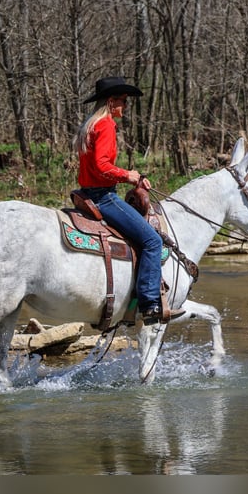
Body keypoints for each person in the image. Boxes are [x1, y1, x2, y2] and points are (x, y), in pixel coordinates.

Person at [73, 76, 175, 324]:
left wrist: (131, 177)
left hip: (87, 192)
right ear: (111, 101)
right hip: (103, 197)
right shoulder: (106, 125)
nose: (126, 106)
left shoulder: (90, 125)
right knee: (151, 240)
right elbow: (101, 166)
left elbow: (96, 166)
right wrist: (129, 176)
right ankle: (150, 303)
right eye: (123, 101)